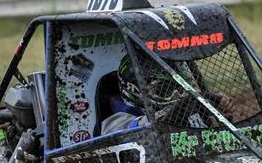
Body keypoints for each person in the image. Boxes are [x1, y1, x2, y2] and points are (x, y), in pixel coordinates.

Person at [100, 55, 236, 135]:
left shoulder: (188, 112)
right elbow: (142, 126)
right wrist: (177, 110)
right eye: (165, 90)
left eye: (179, 87)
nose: (176, 96)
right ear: (135, 90)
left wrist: (218, 109)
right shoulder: (114, 122)